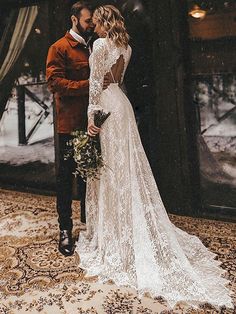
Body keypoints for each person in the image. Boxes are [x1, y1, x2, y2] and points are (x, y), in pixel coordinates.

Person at [75, 5, 233, 309]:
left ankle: (116, 235)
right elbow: (116, 81)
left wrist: (91, 120)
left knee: (111, 169)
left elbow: (95, 86)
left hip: (107, 109)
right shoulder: (127, 47)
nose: (92, 28)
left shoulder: (99, 45)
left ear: (105, 24)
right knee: (126, 169)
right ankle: (126, 226)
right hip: (123, 107)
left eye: (95, 23)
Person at [46, 1, 94, 256]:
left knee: (90, 178)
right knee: (66, 180)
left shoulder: (93, 45)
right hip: (68, 126)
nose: (91, 26)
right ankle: (65, 230)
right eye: (88, 21)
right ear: (75, 20)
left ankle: (90, 227)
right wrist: (90, 85)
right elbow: (55, 83)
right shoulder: (59, 47)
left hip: (91, 124)